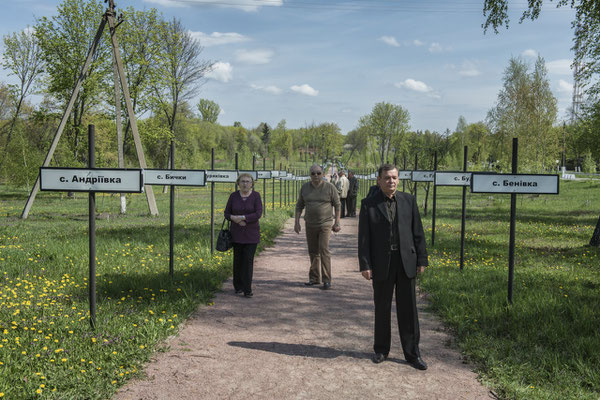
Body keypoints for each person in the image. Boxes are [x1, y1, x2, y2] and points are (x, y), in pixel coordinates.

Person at [358, 163, 429, 370]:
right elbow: (364, 238)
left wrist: (422, 259)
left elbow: (418, 232)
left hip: (406, 261)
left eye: (394, 178)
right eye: (387, 178)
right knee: (382, 307)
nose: (391, 181)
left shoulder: (409, 201)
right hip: (381, 263)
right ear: (379, 180)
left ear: (399, 179)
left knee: (409, 310)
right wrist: (365, 264)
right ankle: (381, 349)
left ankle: (413, 354)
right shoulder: (368, 204)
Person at [294, 164, 341, 290]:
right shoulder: (305, 188)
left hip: (325, 224)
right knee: (313, 251)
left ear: (323, 174)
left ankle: (327, 279)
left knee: (324, 249)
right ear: (310, 175)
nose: (316, 175)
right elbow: (299, 205)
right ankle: (314, 278)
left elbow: (337, 205)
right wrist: (297, 222)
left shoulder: (329, 187)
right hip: (310, 224)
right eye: (313, 173)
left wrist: (337, 222)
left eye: (318, 173)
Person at [224, 173, 263, 298]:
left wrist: (243, 218)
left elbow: (258, 213)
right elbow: (226, 213)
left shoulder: (256, 196)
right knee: (238, 260)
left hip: (251, 234)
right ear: (238, 183)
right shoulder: (233, 196)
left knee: (248, 261)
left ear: (252, 184)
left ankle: (247, 289)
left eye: (247, 181)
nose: (245, 184)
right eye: (242, 181)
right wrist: (233, 219)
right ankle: (238, 286)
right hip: (236, 234)